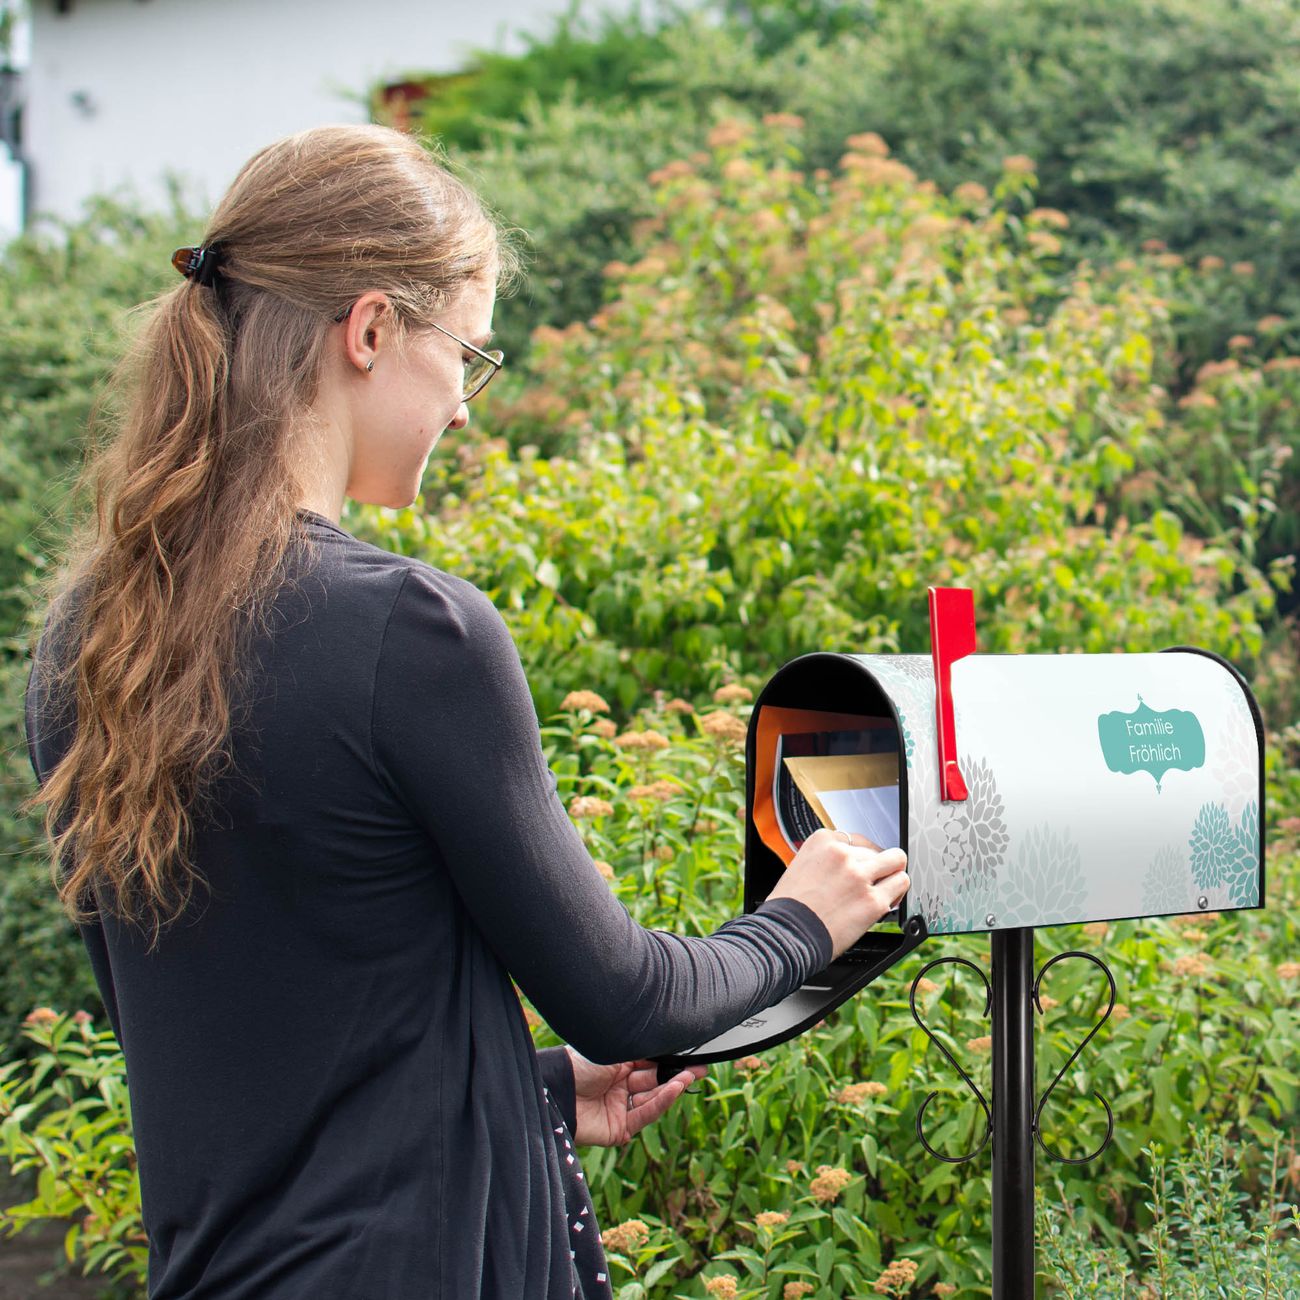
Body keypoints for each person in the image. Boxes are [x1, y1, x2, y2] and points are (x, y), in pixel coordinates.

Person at [21, 124, 910, 1300]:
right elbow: (628, 996)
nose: (465, 409)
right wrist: (802, 919)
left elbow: (238, 1045)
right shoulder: (405, 630)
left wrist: (527, 1088)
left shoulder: (87, 640)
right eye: (467, 355)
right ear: (370, 329)